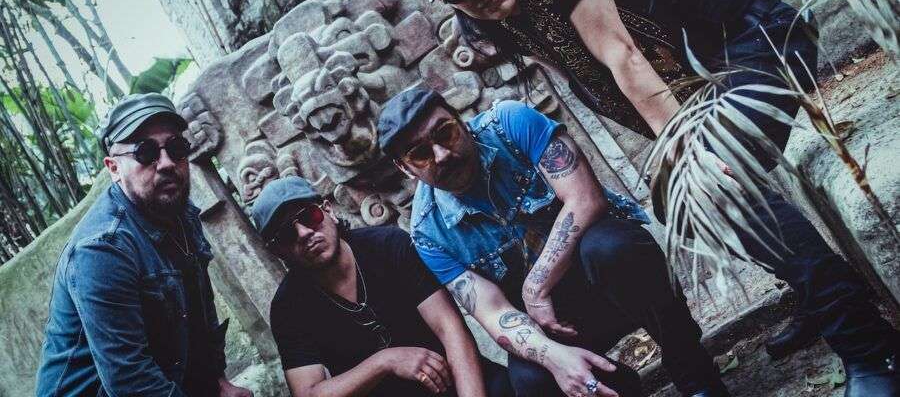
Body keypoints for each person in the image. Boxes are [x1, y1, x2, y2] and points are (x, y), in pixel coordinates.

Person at [399, 0, 900, 396]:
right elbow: (583, 73)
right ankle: (817, 297)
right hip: (689, 88)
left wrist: (687, 152)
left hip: (753, 41)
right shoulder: (487, 22)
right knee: (693, 197)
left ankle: (868, 345)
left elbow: (621, 55)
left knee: (719, 192)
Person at [378, 88, 727, 397]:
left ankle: (697, 378)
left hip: (610, 276)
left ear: (461, 121)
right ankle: (618, 387)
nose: (441, 154)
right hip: (557, 322)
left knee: (613, 249)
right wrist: (554, 357)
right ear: (406, 168)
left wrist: (536, 286)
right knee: (530, 381)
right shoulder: (428, 233)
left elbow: (585, 198)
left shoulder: (510, 123)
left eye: (445, 132)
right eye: (420, 153)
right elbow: (493, 312)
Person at [35, 93, 252, 397]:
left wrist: (218, 383)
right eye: (145, 152)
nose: (166, 163)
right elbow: (130, 381)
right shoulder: (102, 249)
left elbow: (199, 316)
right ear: (113, 168)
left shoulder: (181, 214)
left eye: (176, 148)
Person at [250, 176, 513, 397]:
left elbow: (450, 329)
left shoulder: (388, 245)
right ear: (279, 251)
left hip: (458, 383)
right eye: (287, 234)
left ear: (328, 210)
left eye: (310, 216)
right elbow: (308, 393)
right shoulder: (289, 307)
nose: (304, 233)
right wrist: (385, 361)